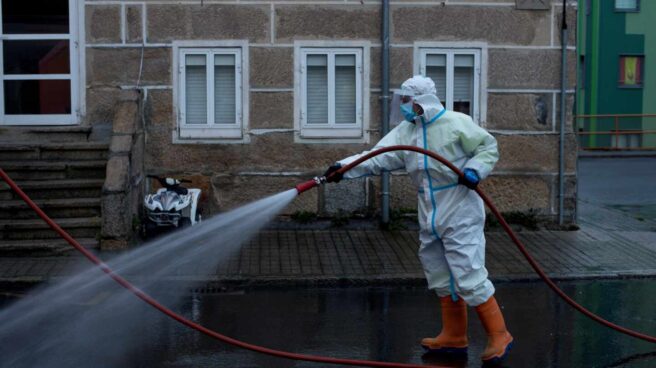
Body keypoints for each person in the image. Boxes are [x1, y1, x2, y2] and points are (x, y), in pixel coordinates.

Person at [323, 75, 513, 363]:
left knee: (467, 271)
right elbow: (377, 157)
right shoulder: (406, 132)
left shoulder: (455, 123)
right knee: (438, 271)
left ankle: (499, 335)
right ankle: (454, 336)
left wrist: (474, 170)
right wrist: (343, 168)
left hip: (459, 206)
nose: (403, 107)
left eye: (406, 101)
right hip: (429, 208)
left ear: (421, 101)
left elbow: (488, 147)